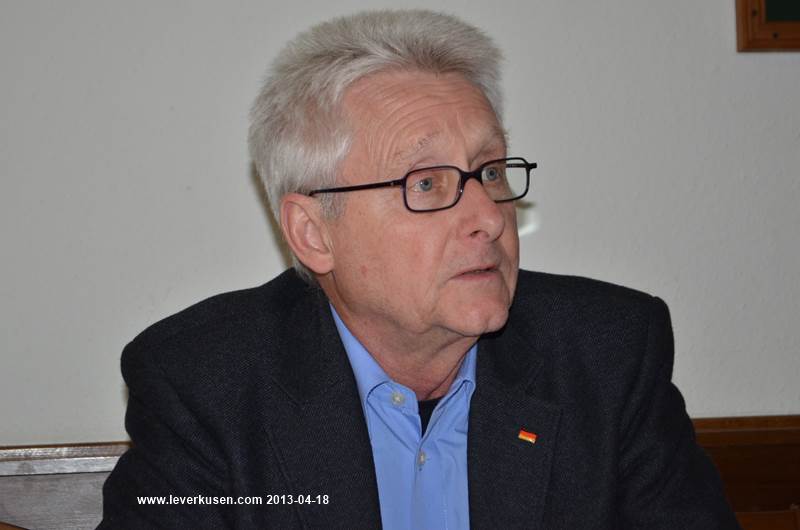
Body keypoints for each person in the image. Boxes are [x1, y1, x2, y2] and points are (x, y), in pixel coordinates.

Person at [100, 9, 739, 530]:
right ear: (313, 234)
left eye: (490, 172)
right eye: (427, 183)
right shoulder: (205, 385)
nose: (488, 217)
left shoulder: (606, 357)